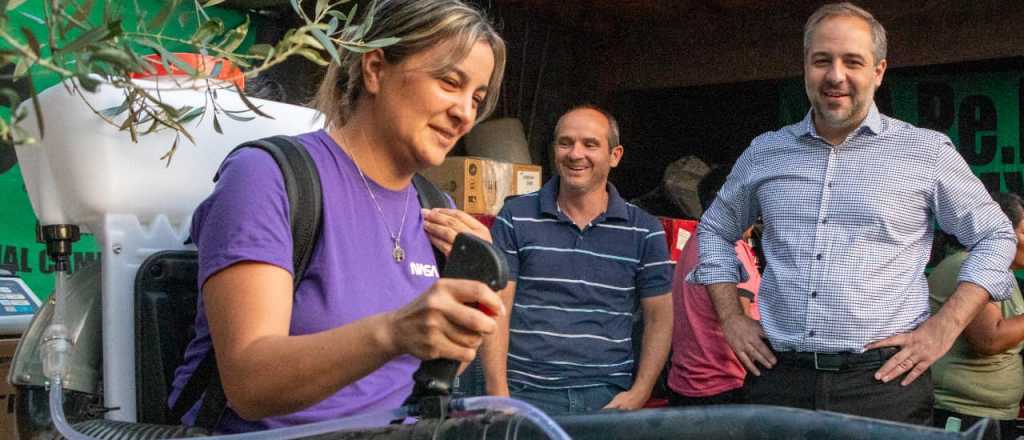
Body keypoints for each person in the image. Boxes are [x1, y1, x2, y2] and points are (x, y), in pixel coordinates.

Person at [169, 0, 508, 432]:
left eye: (476, 99)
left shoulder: (437, 209)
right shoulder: (269, 178)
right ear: (375, 69)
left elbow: (427, 375)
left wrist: (478, 280)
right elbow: (248, 384)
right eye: (448, 82)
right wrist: (394, 332)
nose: (465, 113)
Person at [692, 2, 1017, 425]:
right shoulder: (766, 153)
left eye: (853, 61)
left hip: (884, 383)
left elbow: (995, 235)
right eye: (822, 60)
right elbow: (714, 230)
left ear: (878, 72)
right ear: (805, 67)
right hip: (778, 378)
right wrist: (731, 318)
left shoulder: (925, 152)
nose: (835, 76)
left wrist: (946, 326)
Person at [490, 105, 674, 415]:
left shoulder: (645, 230)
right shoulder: (515, 217)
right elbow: (495, 309)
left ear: (615, 155)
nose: (576, 154)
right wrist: (499, 396)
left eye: (590, 144)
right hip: (527, 396)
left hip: (606, 400)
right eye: (565, 142)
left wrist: (640, 392)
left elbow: (660, 319)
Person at [929, 192, 1024, 438]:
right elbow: (989, 339)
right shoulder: (965, 266)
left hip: (994, 415)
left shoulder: (1003, 275)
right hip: (963, 416)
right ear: (1000, 232)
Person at [667, 166, 760, 406]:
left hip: (685, 386)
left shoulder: (694, 243)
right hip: (725, 389)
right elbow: (743, 328)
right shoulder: (732, 249)